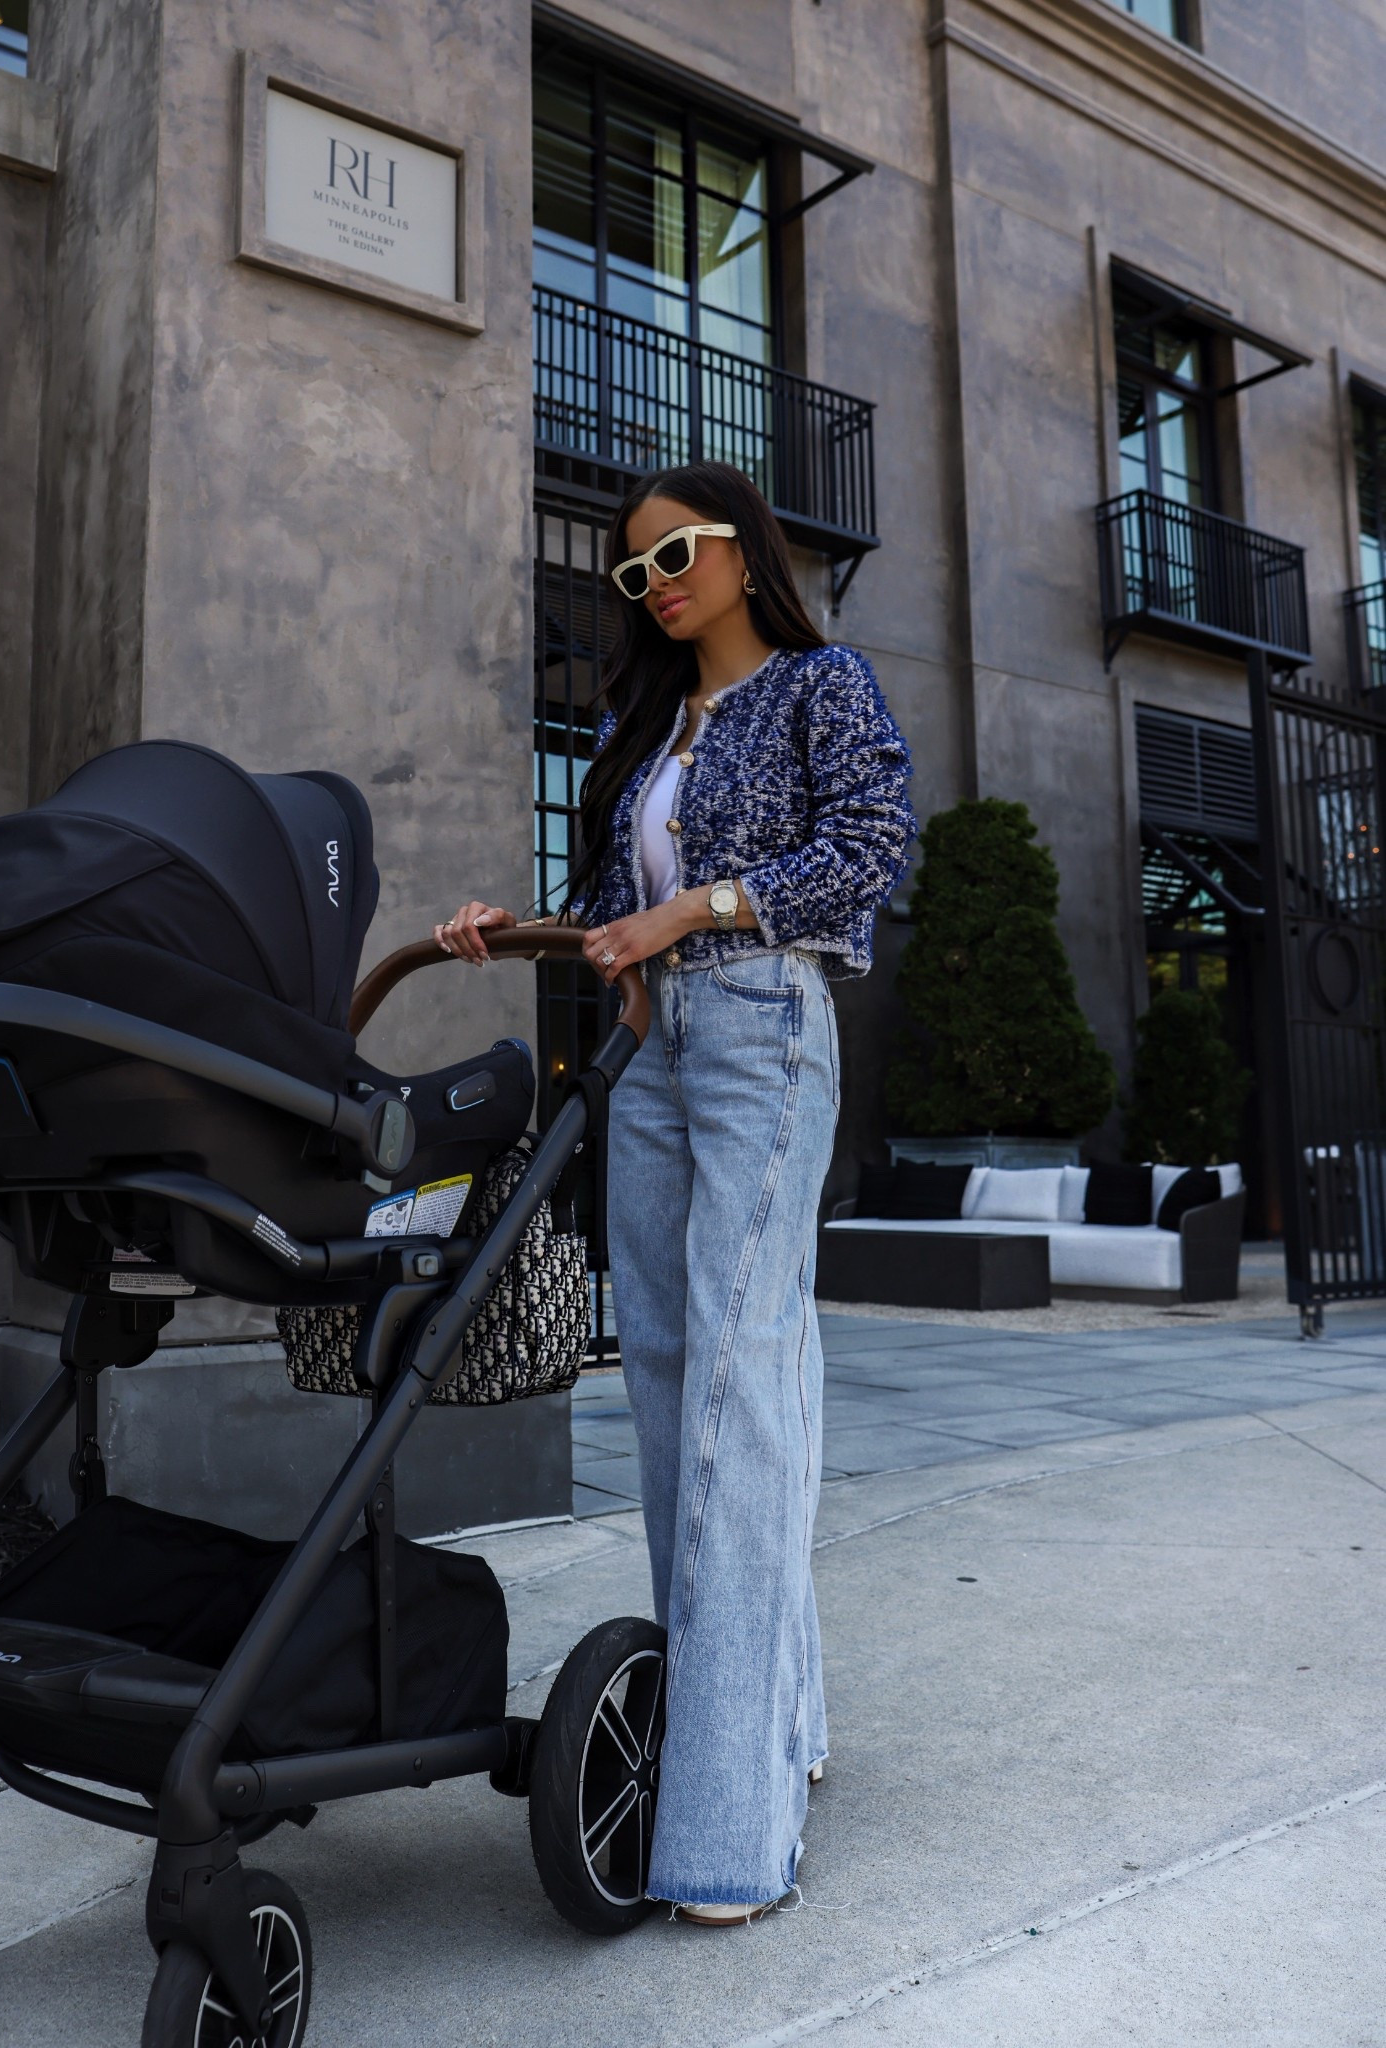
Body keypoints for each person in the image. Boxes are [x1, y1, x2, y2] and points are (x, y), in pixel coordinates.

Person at [436, 461, 914, 1924]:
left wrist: (693, 908)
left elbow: (869, 850)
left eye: (676, 553)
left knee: (737, 1386)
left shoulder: (822, 684)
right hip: (651, 1058)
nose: (653, 583)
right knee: (660, 1370)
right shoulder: (643, 729)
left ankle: (725, 1831)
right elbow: (611, 914)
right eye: (632, 570)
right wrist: (517, 927)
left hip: (765, 1025)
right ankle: (779, 1721)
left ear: (742, 550)